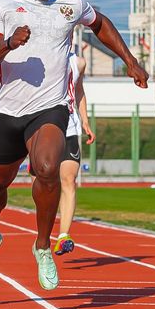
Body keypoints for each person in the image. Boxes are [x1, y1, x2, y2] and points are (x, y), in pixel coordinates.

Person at [0, 0, 148, 291]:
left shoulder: (70, 4)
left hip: (50, 107)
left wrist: (130, 60)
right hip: (9, 111)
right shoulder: (1, 5)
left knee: (50, 170)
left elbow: (101, 24)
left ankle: (42, 246)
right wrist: (9, 43)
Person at [53, 51, 94, 256]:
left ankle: (63, 236)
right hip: (43, 127)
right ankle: (42, 235)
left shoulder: (79, 62)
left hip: (69, 127)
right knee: (43, 182)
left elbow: (79, 89)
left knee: (68, 180)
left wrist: (85, 120)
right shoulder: (43, 54)